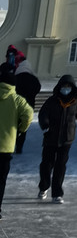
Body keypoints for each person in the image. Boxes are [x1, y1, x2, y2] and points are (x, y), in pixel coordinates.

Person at [38, 74, 77, 203]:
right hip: (51, 137)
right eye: (64, 86)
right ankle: (44, 187)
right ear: (59, 87)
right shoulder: (52, 100)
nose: (66, 89)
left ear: (73, 88)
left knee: (60, 166)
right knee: (46, 164)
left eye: (68, 87)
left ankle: (57, 193)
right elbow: (43, 113)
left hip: (67, 139)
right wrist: (45, 122)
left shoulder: (76, 101)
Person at [0, 74, 33, 219]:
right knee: (1, 180)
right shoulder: (17, 100)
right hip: (5, 147)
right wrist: (20, 129)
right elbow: (28, 115)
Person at [0, 61, 41, 153]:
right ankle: (19, 146)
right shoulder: (33, 79)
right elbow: (28, 115)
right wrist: (23, 129)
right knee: (16, 129)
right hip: (27, 104)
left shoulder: (16, 78)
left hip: (11, 107)